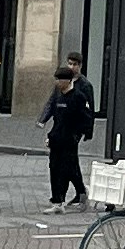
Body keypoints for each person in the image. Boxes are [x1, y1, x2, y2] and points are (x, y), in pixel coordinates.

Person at [43, 51, 95, 208]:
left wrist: (86, 132)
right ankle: (74, 194)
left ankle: (62, 198)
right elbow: (52, 103)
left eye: (75, 64)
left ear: (80, 66)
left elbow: (88, 111)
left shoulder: (84, 87)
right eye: (69, 63)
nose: (72, 67)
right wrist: (43, 120)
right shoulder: (61, 86)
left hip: (73, 132)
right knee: (67, 164)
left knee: (67, 164)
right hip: (60, 132)